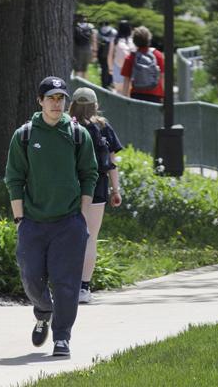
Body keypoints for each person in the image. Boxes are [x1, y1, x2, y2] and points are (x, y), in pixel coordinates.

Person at [5, 76, 98, 358]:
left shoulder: (78, 134)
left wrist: (82, 216)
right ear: (40, 101)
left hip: (68, 222)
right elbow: (14, 178)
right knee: (31, 278)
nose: (57, 104)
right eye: (51, 98)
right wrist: (20, 219)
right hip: (32, 222)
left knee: (66, 282)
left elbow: (89, 174)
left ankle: (62, 337)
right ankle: (43, 310)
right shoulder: (25, 135)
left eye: (61, 99)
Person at [69, 87, 123, 304]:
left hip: (70, 187)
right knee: (90, 236)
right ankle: (84, 288)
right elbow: (111, 163)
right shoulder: (103, 127)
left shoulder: (67, 126)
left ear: (72, 104)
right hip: (97, 188)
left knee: (66, 235)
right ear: (95, 105)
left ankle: (67, 284)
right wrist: (116, 190)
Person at [121, 26, 165, 103]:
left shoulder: (131, 57)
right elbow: (162, 78)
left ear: (134, 41)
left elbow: (126, 81)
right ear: (149, 39)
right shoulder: (158, 55)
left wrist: (124, 99)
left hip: (136, 95)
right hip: (155, 95)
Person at [109, 20, 133, 93]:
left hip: (118, 68)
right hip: (130, 70)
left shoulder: (115, 40)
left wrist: (110, 68)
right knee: (129, 93)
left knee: (119, 92)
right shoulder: (132, 41)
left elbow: (110, 55)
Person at [72, 14, 96, 80]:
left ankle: (78, 87)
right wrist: (94, 52)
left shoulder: (74, 26)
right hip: (88, 50)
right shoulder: (90, 26)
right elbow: (94, 40)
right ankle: (86, 86)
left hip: (77, 50)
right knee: (85, 70)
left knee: (78, 70)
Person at [96, 21, 117, 90]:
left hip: (101, 52)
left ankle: (104, 84)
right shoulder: (113, 31)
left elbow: (97, 41)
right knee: (110, 68)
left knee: (103, 68)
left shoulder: (100, 31)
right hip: (110, 51)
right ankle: (109, 82)